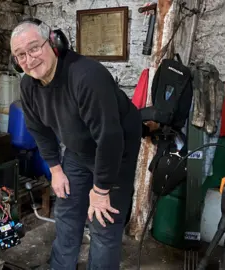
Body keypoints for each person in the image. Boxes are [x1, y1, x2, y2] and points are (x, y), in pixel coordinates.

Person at [10, 18, 142, 270]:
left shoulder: (87, 76)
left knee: (103, 225)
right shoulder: (28, 85)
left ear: (54, 42)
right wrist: (55, 170)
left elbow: (109, 137)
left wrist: (101, 191)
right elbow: (38, 128)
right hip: (77, 151)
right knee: (67, 215)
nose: (29, 59)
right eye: (20, 55)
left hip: (116, 151)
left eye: (34, 48)